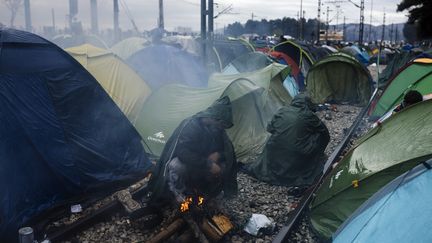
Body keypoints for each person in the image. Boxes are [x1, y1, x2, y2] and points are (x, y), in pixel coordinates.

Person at [148, 96, 238, 207]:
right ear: (216, 119)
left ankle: (207, 193)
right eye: (221, 124)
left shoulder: (216, 129)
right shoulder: (191, 126)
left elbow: (228, 152)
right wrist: (208, 164)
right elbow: (183, 153)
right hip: (191, 163)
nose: (222, 128)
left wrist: (218, 154)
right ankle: (178, 194)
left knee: (224, 166)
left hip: (201, 166)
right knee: (176, 166)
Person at [246, 93, 330, 188]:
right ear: (308, 104)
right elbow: (325, 133)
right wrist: (318, 149)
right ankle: (310, 161)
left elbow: (270, 128)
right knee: (318, 134)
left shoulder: (282, 110)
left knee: (275, 137)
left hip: (274, 151)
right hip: (297, 154)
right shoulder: (308, 115)